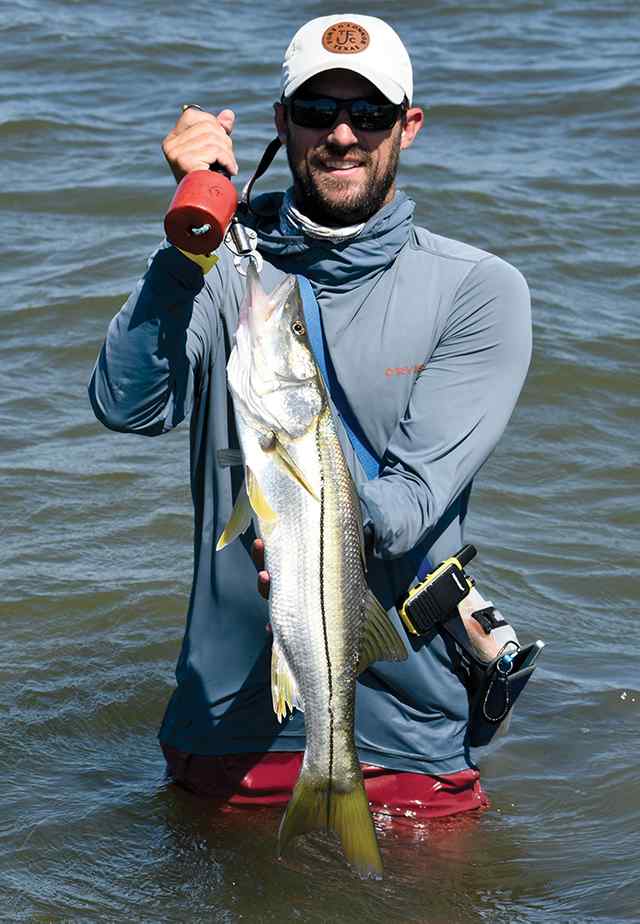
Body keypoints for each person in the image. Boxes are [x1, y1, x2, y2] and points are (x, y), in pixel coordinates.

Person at [89, 14, 531, 819]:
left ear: (409, 125)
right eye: (316, 111)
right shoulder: (228, 273)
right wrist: (191, 240)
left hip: (408, 746)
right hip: (219, 738)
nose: (340, 135)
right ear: (279, 121)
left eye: (368, 114)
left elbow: (408, 508)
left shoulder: (478, 290)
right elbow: (127, 405)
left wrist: (301, 530)